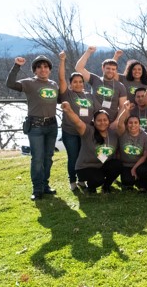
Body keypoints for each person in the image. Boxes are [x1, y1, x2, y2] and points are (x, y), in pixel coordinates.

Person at [7, 54, 59, 200]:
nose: (43, 69)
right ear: (35, 70)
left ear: (49, 69)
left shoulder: (54, 84)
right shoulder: (29, 83)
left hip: (52, 126)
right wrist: (17, 66)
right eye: (39, 67)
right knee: (37, 158)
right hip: (35, 127)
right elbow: (10, 84)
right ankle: (37, 189)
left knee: (48, 158)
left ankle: (45, 185)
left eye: (45, 67)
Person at [59, 51, 101, 191]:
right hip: (70, 132)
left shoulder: (89, 95)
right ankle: (72, 181)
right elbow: (61, 80)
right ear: (70, 84)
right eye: (75, 82)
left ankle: (82, 180)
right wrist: (62, 60)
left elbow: (98, 112)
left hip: (86, 132)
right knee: (73, 156)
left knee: (84, 157)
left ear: (83, 83)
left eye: (80, 81)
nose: (78, 84)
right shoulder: (68, 94)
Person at [61, 103, 122, 193]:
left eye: (105, 120)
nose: (102, 122)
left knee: (117, 164)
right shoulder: (88, 131)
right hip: (85, 167)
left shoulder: (112, 133)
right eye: (99, 120)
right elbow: (77, 122)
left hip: (100, 166)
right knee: (98, 179)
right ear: (94, 122)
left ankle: (106, 186)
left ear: (109, 121)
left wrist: (125, 109)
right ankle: (91, 186)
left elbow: (121, 123)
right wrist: (69, 110)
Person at [75, 46, 126, 129]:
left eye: (113, 69)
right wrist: (88, 53)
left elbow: (122, 107)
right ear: (103, 68)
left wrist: (116, 122)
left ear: (116, 71)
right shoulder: (95, 80)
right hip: (93, 122)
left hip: (111, 124)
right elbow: (79, 68)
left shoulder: (120, 86)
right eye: (108, 68)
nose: (110, 71)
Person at [117, 102, 147, 192]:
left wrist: (134, 168)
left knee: (143, 171)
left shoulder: (146, 136)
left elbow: (145, 155)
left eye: (136, 122)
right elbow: (120, 123)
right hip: (125, 165)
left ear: (139, 124)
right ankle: (133, 180)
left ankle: (142, 182)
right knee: (127, 182)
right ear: (127, 124)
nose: (133, 125)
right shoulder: (123, 133)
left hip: (139, 164)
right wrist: (125, 110)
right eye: (130, 123)